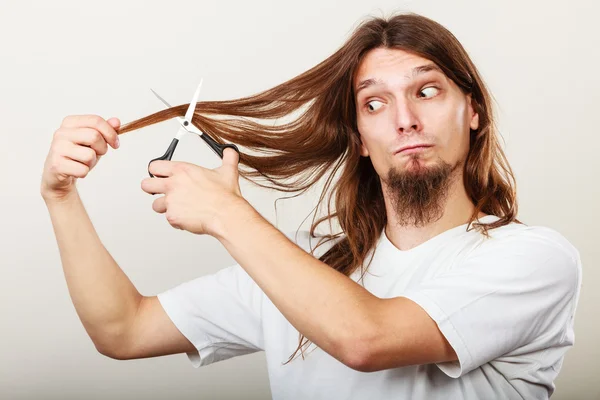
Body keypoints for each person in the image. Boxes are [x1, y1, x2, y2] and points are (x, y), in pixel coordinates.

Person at [40, 12, 582, 400]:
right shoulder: (301, 266)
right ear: (362, 139)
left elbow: (365, 340)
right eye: (375, 102)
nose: (404, 119)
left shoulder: (533, 259)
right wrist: (60, 197)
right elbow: (124, 330)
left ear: (473, 111)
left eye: (427, 91)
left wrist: (227, 215)